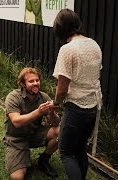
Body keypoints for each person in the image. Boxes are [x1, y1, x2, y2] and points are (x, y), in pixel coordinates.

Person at [52, 9, 102, 180]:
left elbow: (62, 88)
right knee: (80, 148)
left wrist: (56, 103)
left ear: (60, 28)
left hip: (75, 108)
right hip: (93, 106)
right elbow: (96, 75)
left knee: (65, 152)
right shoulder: (94, 44)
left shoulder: (68, 49)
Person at [4, 67, 60, 179]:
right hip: (16, 139)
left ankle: (44, 160)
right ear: (23, 84)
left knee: (60, 130)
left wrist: (52, 112)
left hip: (35, 134)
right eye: (31, 81)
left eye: (37, 80)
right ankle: (20, 156)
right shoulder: (13, 97)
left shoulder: (43, 97)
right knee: (17, 177)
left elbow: (55, 123)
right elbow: (16, 122)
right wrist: (39, 112)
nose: (35, 83)